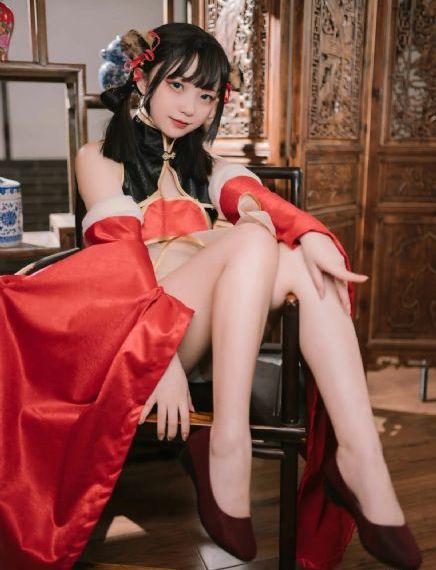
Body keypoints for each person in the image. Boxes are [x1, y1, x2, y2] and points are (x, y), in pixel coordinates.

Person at [0, 22, 421, 570]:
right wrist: (163, 361)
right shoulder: (98, 158)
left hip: (214, 330)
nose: (190, 107)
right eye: (177, 85)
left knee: (291, 254)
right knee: (257, 236)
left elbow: (257, 200)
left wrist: (312, 235)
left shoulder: (214, 167)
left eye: (205, 95)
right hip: (141, 329)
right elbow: (119, 262)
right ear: (142, 77)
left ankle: (361, 457)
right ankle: (233, 441)